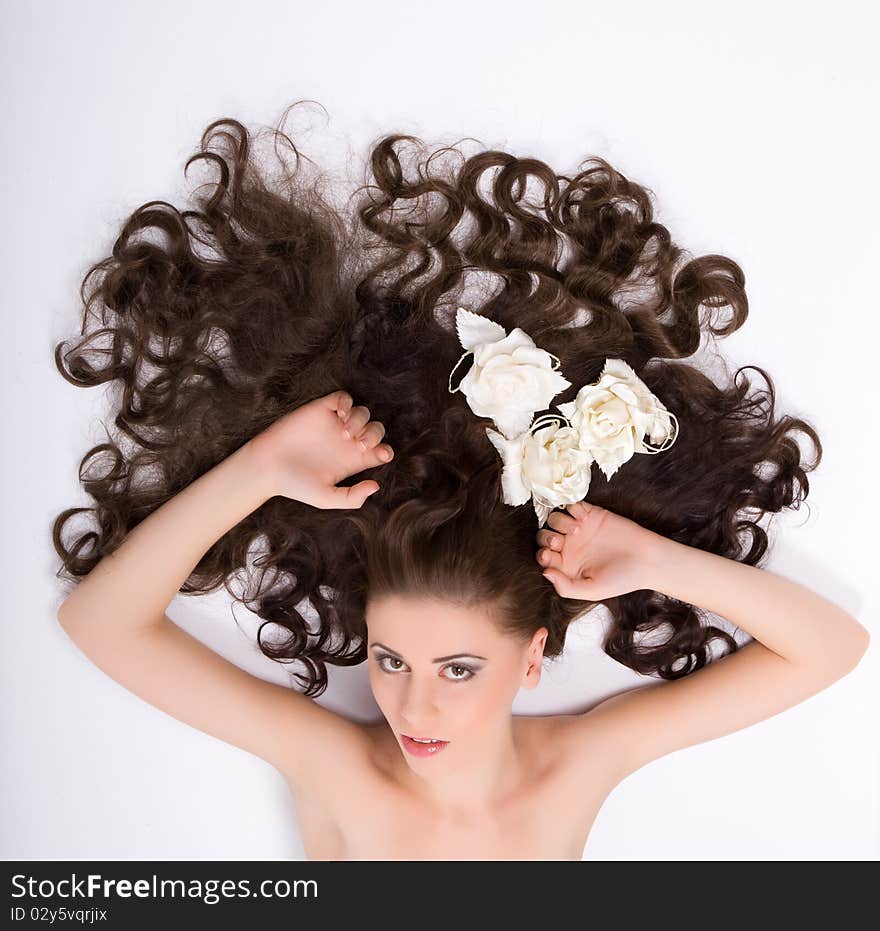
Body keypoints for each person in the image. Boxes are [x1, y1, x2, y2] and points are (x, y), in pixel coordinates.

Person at [52, 104, 870, 860]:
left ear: (532, 658)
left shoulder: (576, 767)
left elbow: (835, 650)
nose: (413, 709)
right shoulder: (339, 771)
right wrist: (260, 467)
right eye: (392, 659)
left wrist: (652, 559)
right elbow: (101, 623)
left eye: (459, 668)